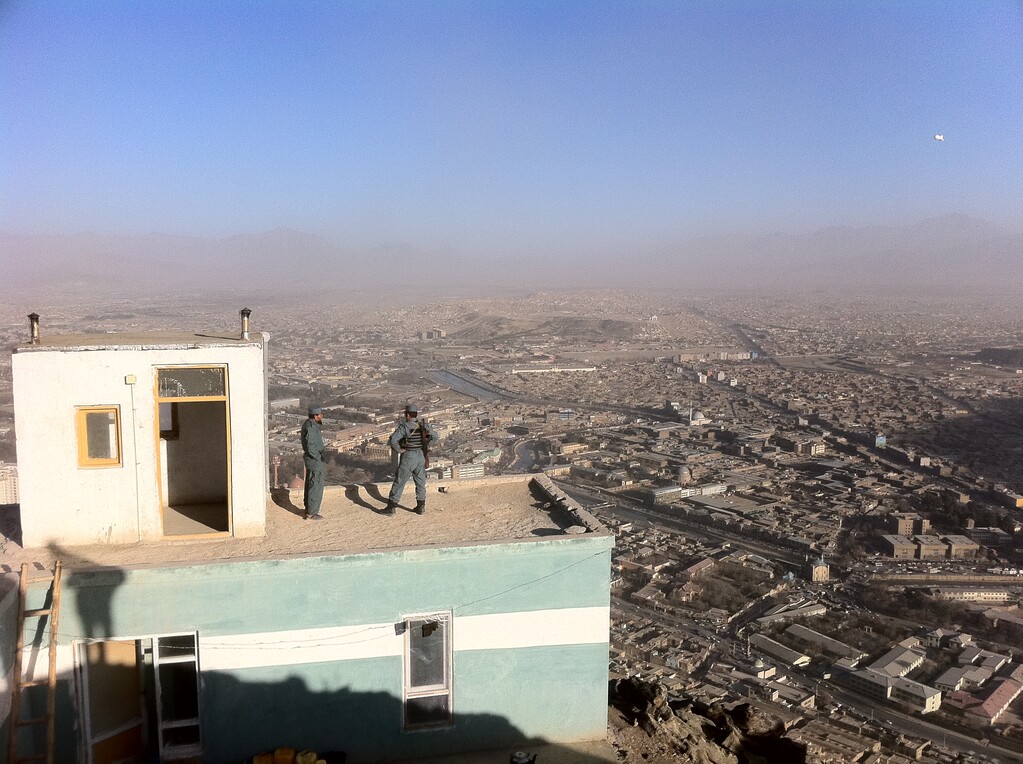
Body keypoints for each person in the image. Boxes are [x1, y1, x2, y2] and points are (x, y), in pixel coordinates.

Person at [386, 403, 436, 515]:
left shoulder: (405, 427)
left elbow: (393, 440)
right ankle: (420, 507)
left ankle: (391, 507)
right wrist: (426, 444)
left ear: (408, 415)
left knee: (400, 481)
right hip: (420, 456)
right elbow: (433, 437)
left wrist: (399, 450)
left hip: (409, 456)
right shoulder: (422, 426)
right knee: (420, 482)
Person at [301, 405, 326, 520]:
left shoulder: (310, 424)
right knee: (315, 485)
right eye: (320, 414)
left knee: (312, 483)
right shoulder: (310, 427)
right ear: (315, 416)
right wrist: (317, 457)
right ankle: (312, 512)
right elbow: (311, 446)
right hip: (314, 460)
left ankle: (310, 509)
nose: (322, 416)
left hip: (314, 459)